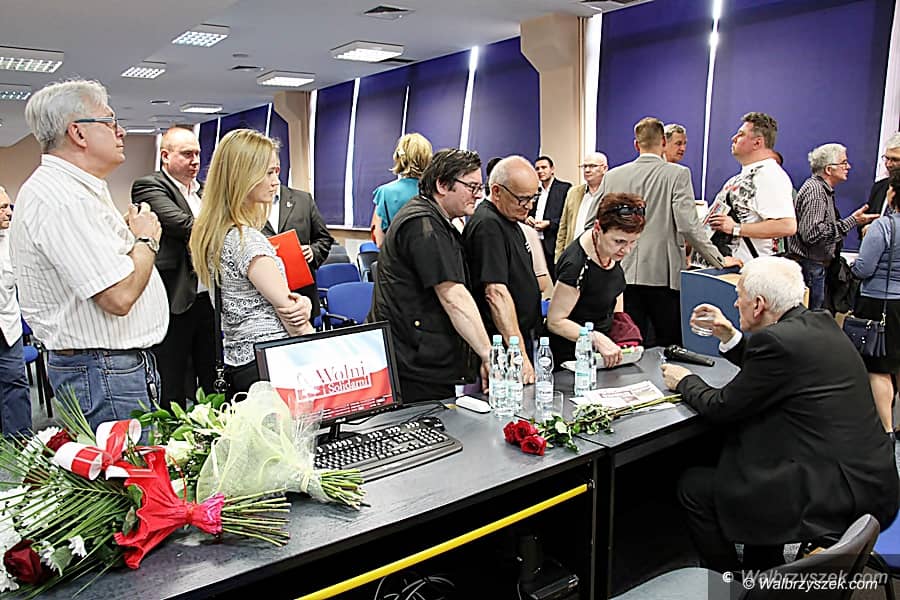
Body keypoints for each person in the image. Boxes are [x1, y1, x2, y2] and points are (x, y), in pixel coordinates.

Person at [660, 256, 898, 573]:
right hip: (869, 480)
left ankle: (732, 583)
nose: (736, 303)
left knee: (694, 487)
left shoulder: (776, 342)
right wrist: (729, 337)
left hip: (834, 492)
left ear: (758, 305)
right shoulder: (819, 322)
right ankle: (763, 564)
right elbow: (775, 367)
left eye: (739, 296)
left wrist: (684, 380)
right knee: (760, 460)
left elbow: (721, 406)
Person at [11, 80, 168, 428]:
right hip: (103, 371)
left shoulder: (74, 191)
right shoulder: (64, 199)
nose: (121, 131)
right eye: (110, 122)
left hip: (107, 367)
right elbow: (119, 297)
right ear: (78, 133)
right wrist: (146, 239)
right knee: (126, 464)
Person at [591, 117, 736, 347]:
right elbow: (689, 226)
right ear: (663, 142)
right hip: (663, 275)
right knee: (668, 343)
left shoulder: (613, 176)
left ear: (636, 144)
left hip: (620, 273)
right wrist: (718, 260)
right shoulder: (677, 174)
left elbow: (592, 222)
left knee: (629, 340)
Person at [189, 129, 314, 394]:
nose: (275, 182)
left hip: (241, 359)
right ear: (242, 176)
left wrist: (301, 302)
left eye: (276, 172)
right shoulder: (247, 241)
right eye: (268, 173)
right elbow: (290, 314)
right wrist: (318, 351)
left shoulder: (216, 234)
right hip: (273, 360)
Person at [368, 149, 491, 402]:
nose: (478, 195)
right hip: (413, 363)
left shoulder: (436, 219)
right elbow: (453, 296)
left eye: (480, 187)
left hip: (420, 353)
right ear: (442, 185)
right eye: (472, 187)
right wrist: (489, 355)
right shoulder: (422, 224)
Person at [131, 127, 216, 409]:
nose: (195, 161)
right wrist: (222, 228)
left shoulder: (204, 191)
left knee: (212, 374)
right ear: (165, 156)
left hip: (208, 296)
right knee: (172, 379)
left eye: (198, 154)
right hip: (174, 298)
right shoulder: (149, 186)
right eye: (187, 154)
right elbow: (183, 225)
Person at [464, 156, 543, 383]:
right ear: (497, 191)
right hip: (502, 342)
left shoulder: (509, 218)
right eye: (522, 199)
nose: (529, 206)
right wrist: (519, 354)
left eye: (533, 198)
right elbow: (495, 293)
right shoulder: (488, 225)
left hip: (517, 337)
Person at [547, 193, 645, 366]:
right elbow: (555, 321)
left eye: (632, 242)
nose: (627, 250)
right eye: (619, 241)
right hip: (574, 356)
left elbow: (614, 288)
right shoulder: (575, 265)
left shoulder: (609, 249)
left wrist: (620, 326)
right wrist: (595, 338)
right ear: (598, 228)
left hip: (605, 349)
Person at [785, 143, 876, 310]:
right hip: (810, 267)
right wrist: (852, 221)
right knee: (811, 317)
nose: (848, 167)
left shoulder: (820, 189)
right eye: (843, 163)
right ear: (829, 169)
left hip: (813, 267)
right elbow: (812, 234)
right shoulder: (816, 192)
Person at [708, 112, 797, 262]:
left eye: (741, 134)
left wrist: (735, 228)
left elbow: (787, 225)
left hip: (754, 268)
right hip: (731, 265)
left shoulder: (769, 174)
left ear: (757, 143)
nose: (734, 138)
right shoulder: (738, 178)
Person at [851, 170, 900, 433]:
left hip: (880, 302)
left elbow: (864, 268)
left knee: (879, 369)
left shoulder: (883, 226)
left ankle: (886, 430)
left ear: (893, 194)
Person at [261, 159, 335, 319]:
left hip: (301, 294)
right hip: (264, 299)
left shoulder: (303, 200)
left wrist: (313, 251)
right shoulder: (246, 205)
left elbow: (324, 238)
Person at [0, 187, 31, 436]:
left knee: (16, 382)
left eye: (9, 206)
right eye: (2, 208)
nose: (9, 213)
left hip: (7, 326)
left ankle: (22, 444)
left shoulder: (13, 238)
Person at [372, 133, 433, 247]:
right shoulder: (437, 192)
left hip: (395, 256)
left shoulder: (385, 192)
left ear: (399, 157)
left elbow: (379, 241)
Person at [555, 152, 608, 262]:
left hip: (599, 256)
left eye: (592, 166)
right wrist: (559, 257)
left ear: (604, 168)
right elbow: (563, 227)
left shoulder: (610, 194)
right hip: (573, 253)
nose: (587, 170)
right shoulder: (573, 192)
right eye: (584, 166)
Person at [529, 155, 571, 279]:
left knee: (556, 278)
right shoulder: (534, 190)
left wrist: (549, 223)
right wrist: (528, 218)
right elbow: (528, 210)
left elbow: (567, 218)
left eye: (544, 167)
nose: (540, 171)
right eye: (537, 169)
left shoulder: (564, 188)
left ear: (552, 169)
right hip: (535, 241)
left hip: (553, 242)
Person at [865, 132, 900, 223]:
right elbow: (867, 220)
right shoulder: (879, 187)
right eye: (887, 158)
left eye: (895, 160)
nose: (888, 164)